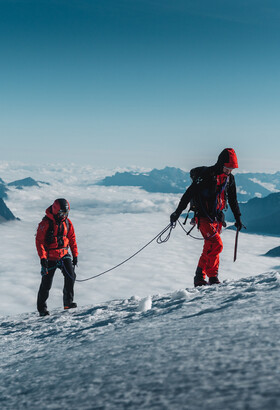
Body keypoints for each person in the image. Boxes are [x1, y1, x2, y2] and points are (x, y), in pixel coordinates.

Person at [170, 148, 243, 287]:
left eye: (232, 169)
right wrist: (177, 213)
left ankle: (199, 277)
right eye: (227, 168)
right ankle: (213, 276)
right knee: (216, 244)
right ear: (221, 163)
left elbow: (233, 200)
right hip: (203, 217)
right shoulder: (207, 175)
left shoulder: (230, 179)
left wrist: (238, 218)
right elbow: (189, 194)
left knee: (209, 248)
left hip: (217, 218)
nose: (229, 171)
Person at [36, 198, 78, 316]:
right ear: (55, 211)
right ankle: (42, 309)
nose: (64, 215)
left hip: (64, 254)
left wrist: (75, 255)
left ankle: (68, 303)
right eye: (61, 213)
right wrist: (43, 258)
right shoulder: (45, 224)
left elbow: (72, 239)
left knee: (71, 276)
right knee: (46, 284)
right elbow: (39, 242)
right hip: (50, 257)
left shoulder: (68, 223)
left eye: (66, 213)